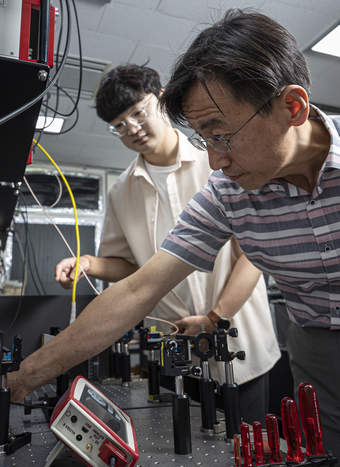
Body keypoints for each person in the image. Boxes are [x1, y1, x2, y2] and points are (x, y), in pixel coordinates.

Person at [0, 9, 340, 465]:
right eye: (204, 140)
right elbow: (137, 289)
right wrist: (20, 379)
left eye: (221, 135)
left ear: (293, 106)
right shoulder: (229, 191)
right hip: (317, 368)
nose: (214, 159)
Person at [53, 64, 281, 424]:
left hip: (241, 343)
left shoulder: (219, 160)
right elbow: (132, 269)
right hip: (178, 349)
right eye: (119, 126)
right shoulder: (121, 191)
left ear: (160, 99)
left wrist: (214, 317)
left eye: (138, 113)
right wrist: (88, 264)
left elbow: (253, 254)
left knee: (247, 447)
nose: (133, 129)